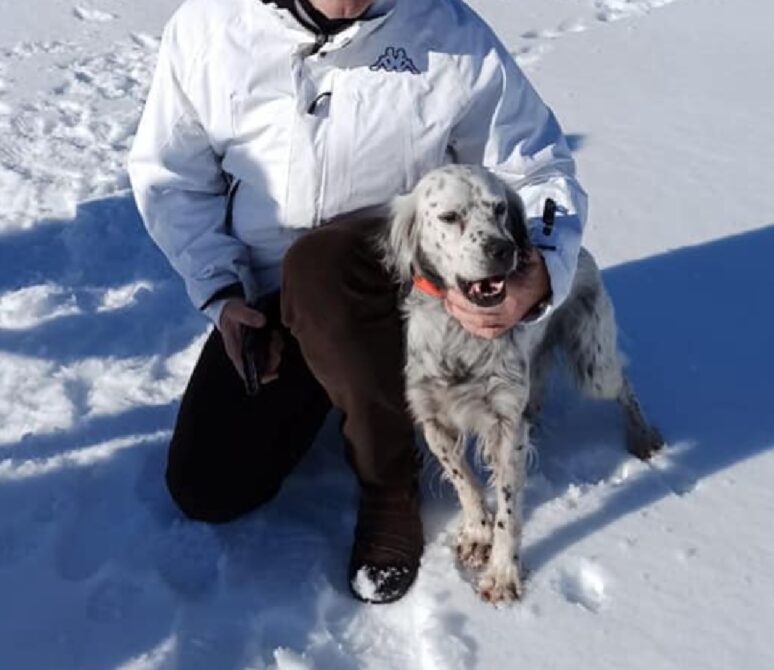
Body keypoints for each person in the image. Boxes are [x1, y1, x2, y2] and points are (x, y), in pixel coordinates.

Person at [128, 0, 587, 603]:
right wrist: (224, 294)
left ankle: (389, 484)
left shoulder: (445, 31)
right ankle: (338, 389)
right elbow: (171, 179)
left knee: (317, 267)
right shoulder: (212, 26)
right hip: (270, 298)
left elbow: (536, 164)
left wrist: (539, 271)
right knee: (207, 486)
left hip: (401, 295)